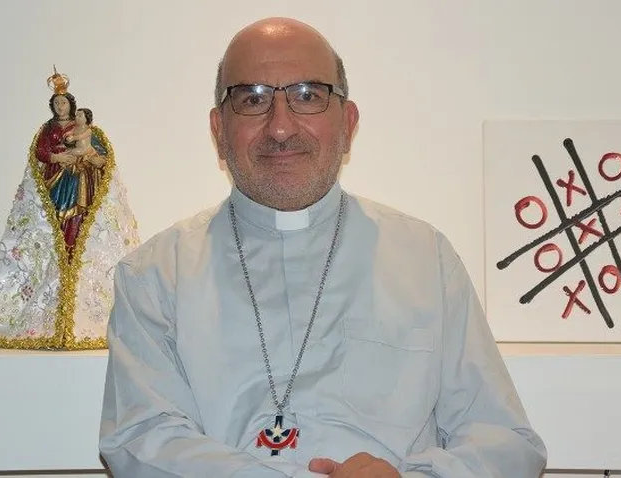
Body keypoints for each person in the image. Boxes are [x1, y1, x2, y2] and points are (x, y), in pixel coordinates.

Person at [98, 17, 547, 477]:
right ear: (219, 130)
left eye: (308, 96)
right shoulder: (154, 277)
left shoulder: (425, 259)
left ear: (348, 123)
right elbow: (142, 441)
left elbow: (506, 441)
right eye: (252, 99)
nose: (279, 127)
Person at [0, 69, 140, 350]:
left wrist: (88, 157)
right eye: (56, 104)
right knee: (58, 228)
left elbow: (103, 159)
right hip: (57, 183)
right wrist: (57, 156)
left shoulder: (89, 131)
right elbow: (40, 153)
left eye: (64, 103)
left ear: (73, 106)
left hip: (81, 185)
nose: (61, 107)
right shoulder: (48, 130)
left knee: (79, 225)